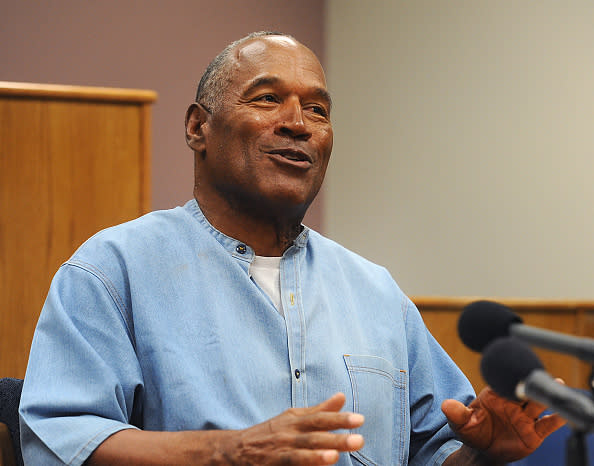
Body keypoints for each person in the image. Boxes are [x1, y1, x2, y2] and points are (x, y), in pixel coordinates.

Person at [19, 31, 564, 465]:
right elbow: (60, 443)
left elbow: (434, 452)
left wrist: (482, 453)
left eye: (318, 110)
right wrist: (229, 452)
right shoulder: (112, 270)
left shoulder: (376, 291)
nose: (298, 124)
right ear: (197, 128)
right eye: (267, 99)